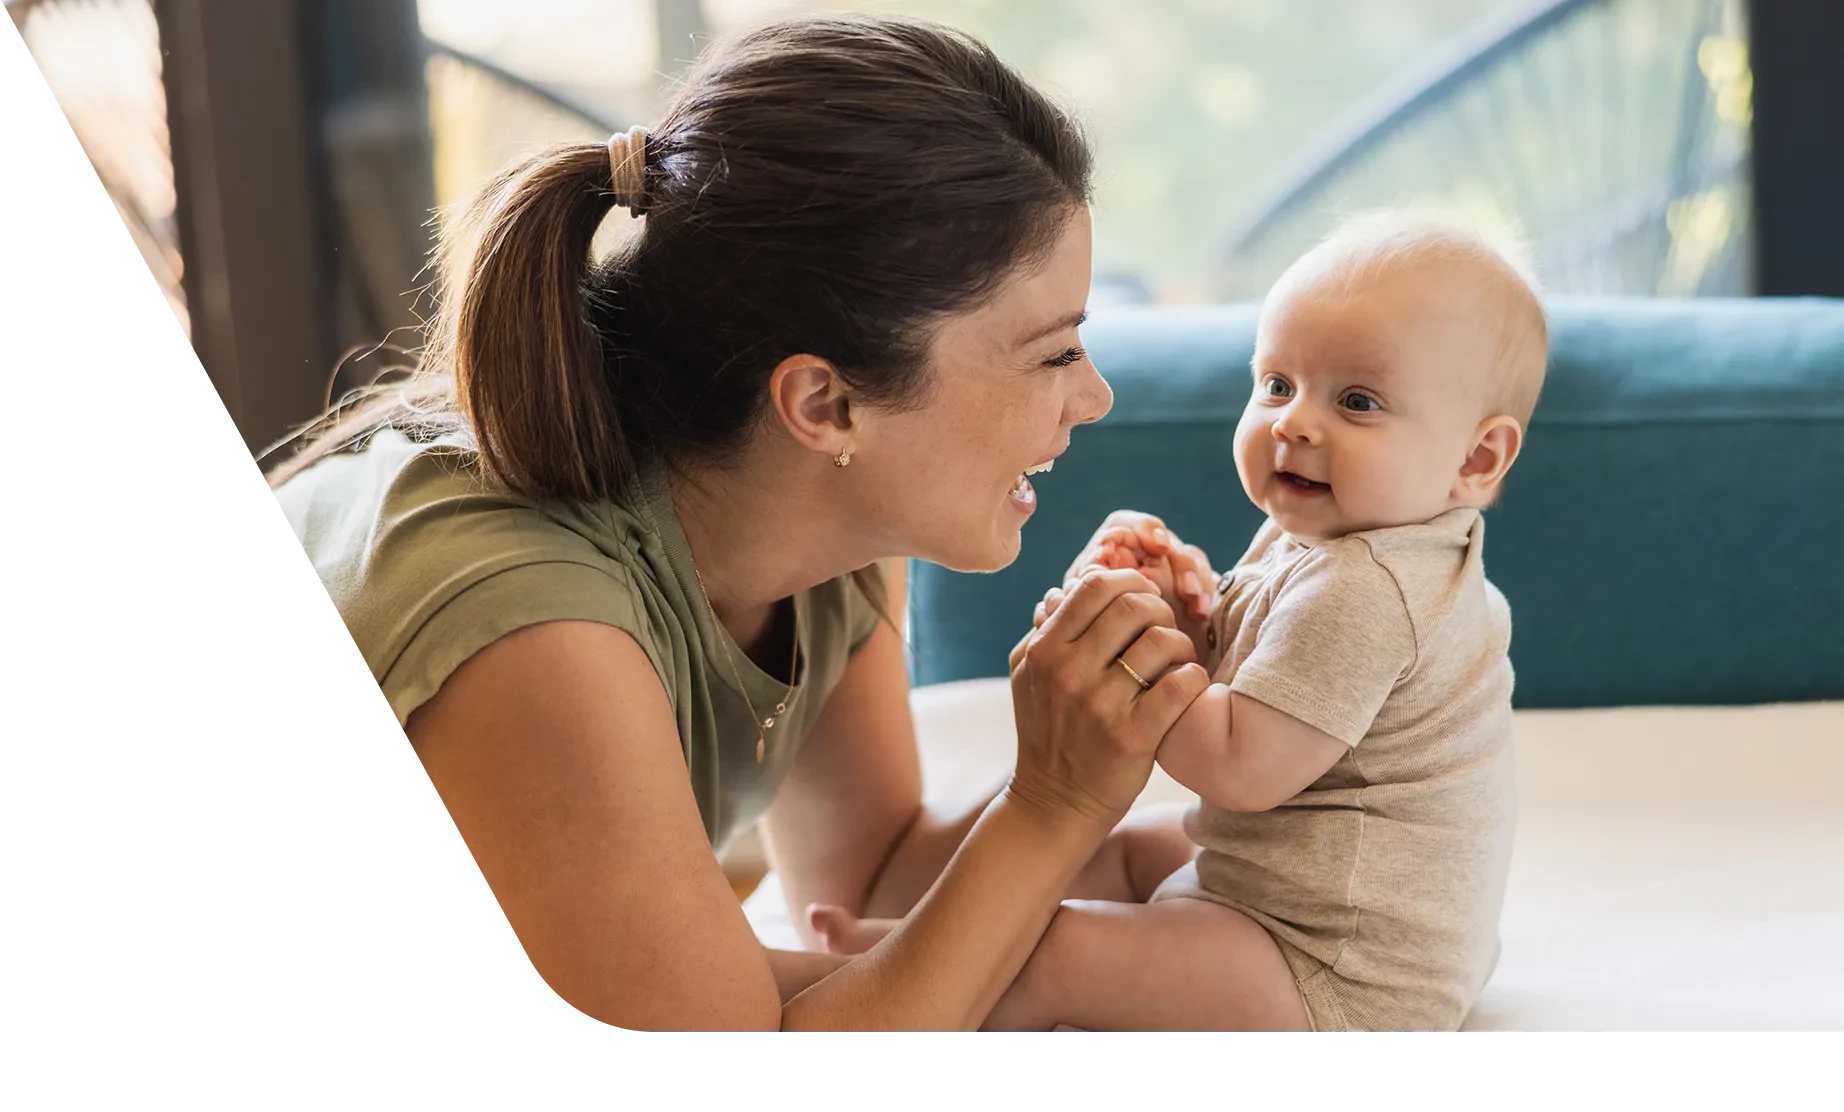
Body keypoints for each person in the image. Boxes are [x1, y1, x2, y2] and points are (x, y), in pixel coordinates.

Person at [263, 12, 1215, 1030]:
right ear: (825, 405)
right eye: (1053, 354)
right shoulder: (529, 622)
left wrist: (1144, 794)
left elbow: (867, 872)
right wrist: (1051, 804)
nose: (1095, 397)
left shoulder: (822, 525)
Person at [814, 212, 1549, 1031]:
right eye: (1277, 384)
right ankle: (913, 951)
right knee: (1127, 852)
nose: (1294, 423)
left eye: (1357, 401)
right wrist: (1188, 615)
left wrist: (1128, 656)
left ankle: (900, 980)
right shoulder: (1334, 537)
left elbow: (1241, 765)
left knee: (1061, 951)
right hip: (1309, 896)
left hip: (1334, 975)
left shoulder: (1373, 589)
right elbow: (1267, 682)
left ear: (1476, 458)